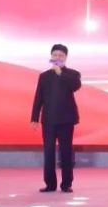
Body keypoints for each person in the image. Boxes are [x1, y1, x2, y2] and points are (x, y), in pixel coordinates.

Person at [31, 44, 82, 193]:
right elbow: (38, 97)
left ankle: (66, 184)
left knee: (66, 152)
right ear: (51, 57)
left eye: (61, 55)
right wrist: (34, 117)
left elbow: (75, 86)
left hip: (66, 120)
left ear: (66, 57)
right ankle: (50, 184)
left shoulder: (73, 74)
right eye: (55, 55)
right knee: (48, 153)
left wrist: (60, 72)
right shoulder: (44, 76)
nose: (57, 57)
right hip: (49, 120)